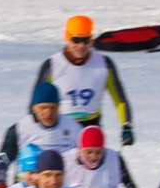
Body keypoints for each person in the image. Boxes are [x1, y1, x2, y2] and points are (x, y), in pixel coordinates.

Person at [34, 14, 134, 148]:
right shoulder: (52, 65)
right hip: (60, 129)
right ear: (67, 39)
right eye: (76, 40)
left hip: (91, 128)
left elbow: (120, 100)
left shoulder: (104, 64)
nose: (81, 46)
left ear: (91, 40)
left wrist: (126, 125)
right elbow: (36, 103)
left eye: (85, 41)